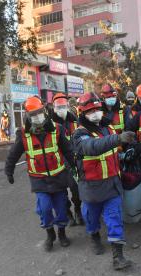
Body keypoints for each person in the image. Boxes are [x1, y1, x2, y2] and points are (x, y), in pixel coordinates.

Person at [73, 92, 136, 270]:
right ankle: (94, 237)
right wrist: (117, 139)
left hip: (112, 184)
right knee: (91, 218)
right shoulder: (79, 135)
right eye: (90, 110)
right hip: (91, 187)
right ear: (82, 113)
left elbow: (113, 152)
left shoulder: (108, 128)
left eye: (97, 109)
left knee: (114, 218)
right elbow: (92, 147)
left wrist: (125, 154)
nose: (95, 113)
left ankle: (118, 257)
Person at [5, 96, 75, 252]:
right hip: (39, 180)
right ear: (27, 116)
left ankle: (62, 233)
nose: (37, 116)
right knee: (44, 208)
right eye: (33, 114)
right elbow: (13, 154)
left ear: (44, 111)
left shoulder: (57, 129)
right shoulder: (23, 134)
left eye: (39, 112)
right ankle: (50, 235)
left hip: (59, 177)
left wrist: (77, 166)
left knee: (62, 208)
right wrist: (9, 171)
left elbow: (68, 150)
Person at [49, 93, 84, 226]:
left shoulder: (75, 120)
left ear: (68, 107)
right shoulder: (49, 124)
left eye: (64, 106)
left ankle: (78, 211)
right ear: (54, 108)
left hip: (72, 160)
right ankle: (68, 214)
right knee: (61, 193)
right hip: (56, 163)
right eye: (59, 107)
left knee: (76, 189)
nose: (61, 109)